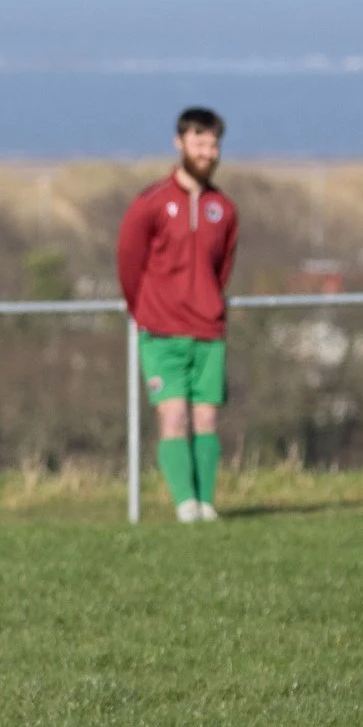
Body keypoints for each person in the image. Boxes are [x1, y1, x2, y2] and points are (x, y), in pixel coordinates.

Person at [116, 108, 238, 523]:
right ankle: (185, 505)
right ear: (179, 142)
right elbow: (129, 262)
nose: (207, 152)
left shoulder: (224, 209)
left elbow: (222, 268)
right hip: (161, 330)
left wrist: (207, 302)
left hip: (208, 329)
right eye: (199, 142)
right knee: (173, 414)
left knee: (206, 416)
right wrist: (145, 310)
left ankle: (207, 504)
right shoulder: (150, 203)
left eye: (213, 144)